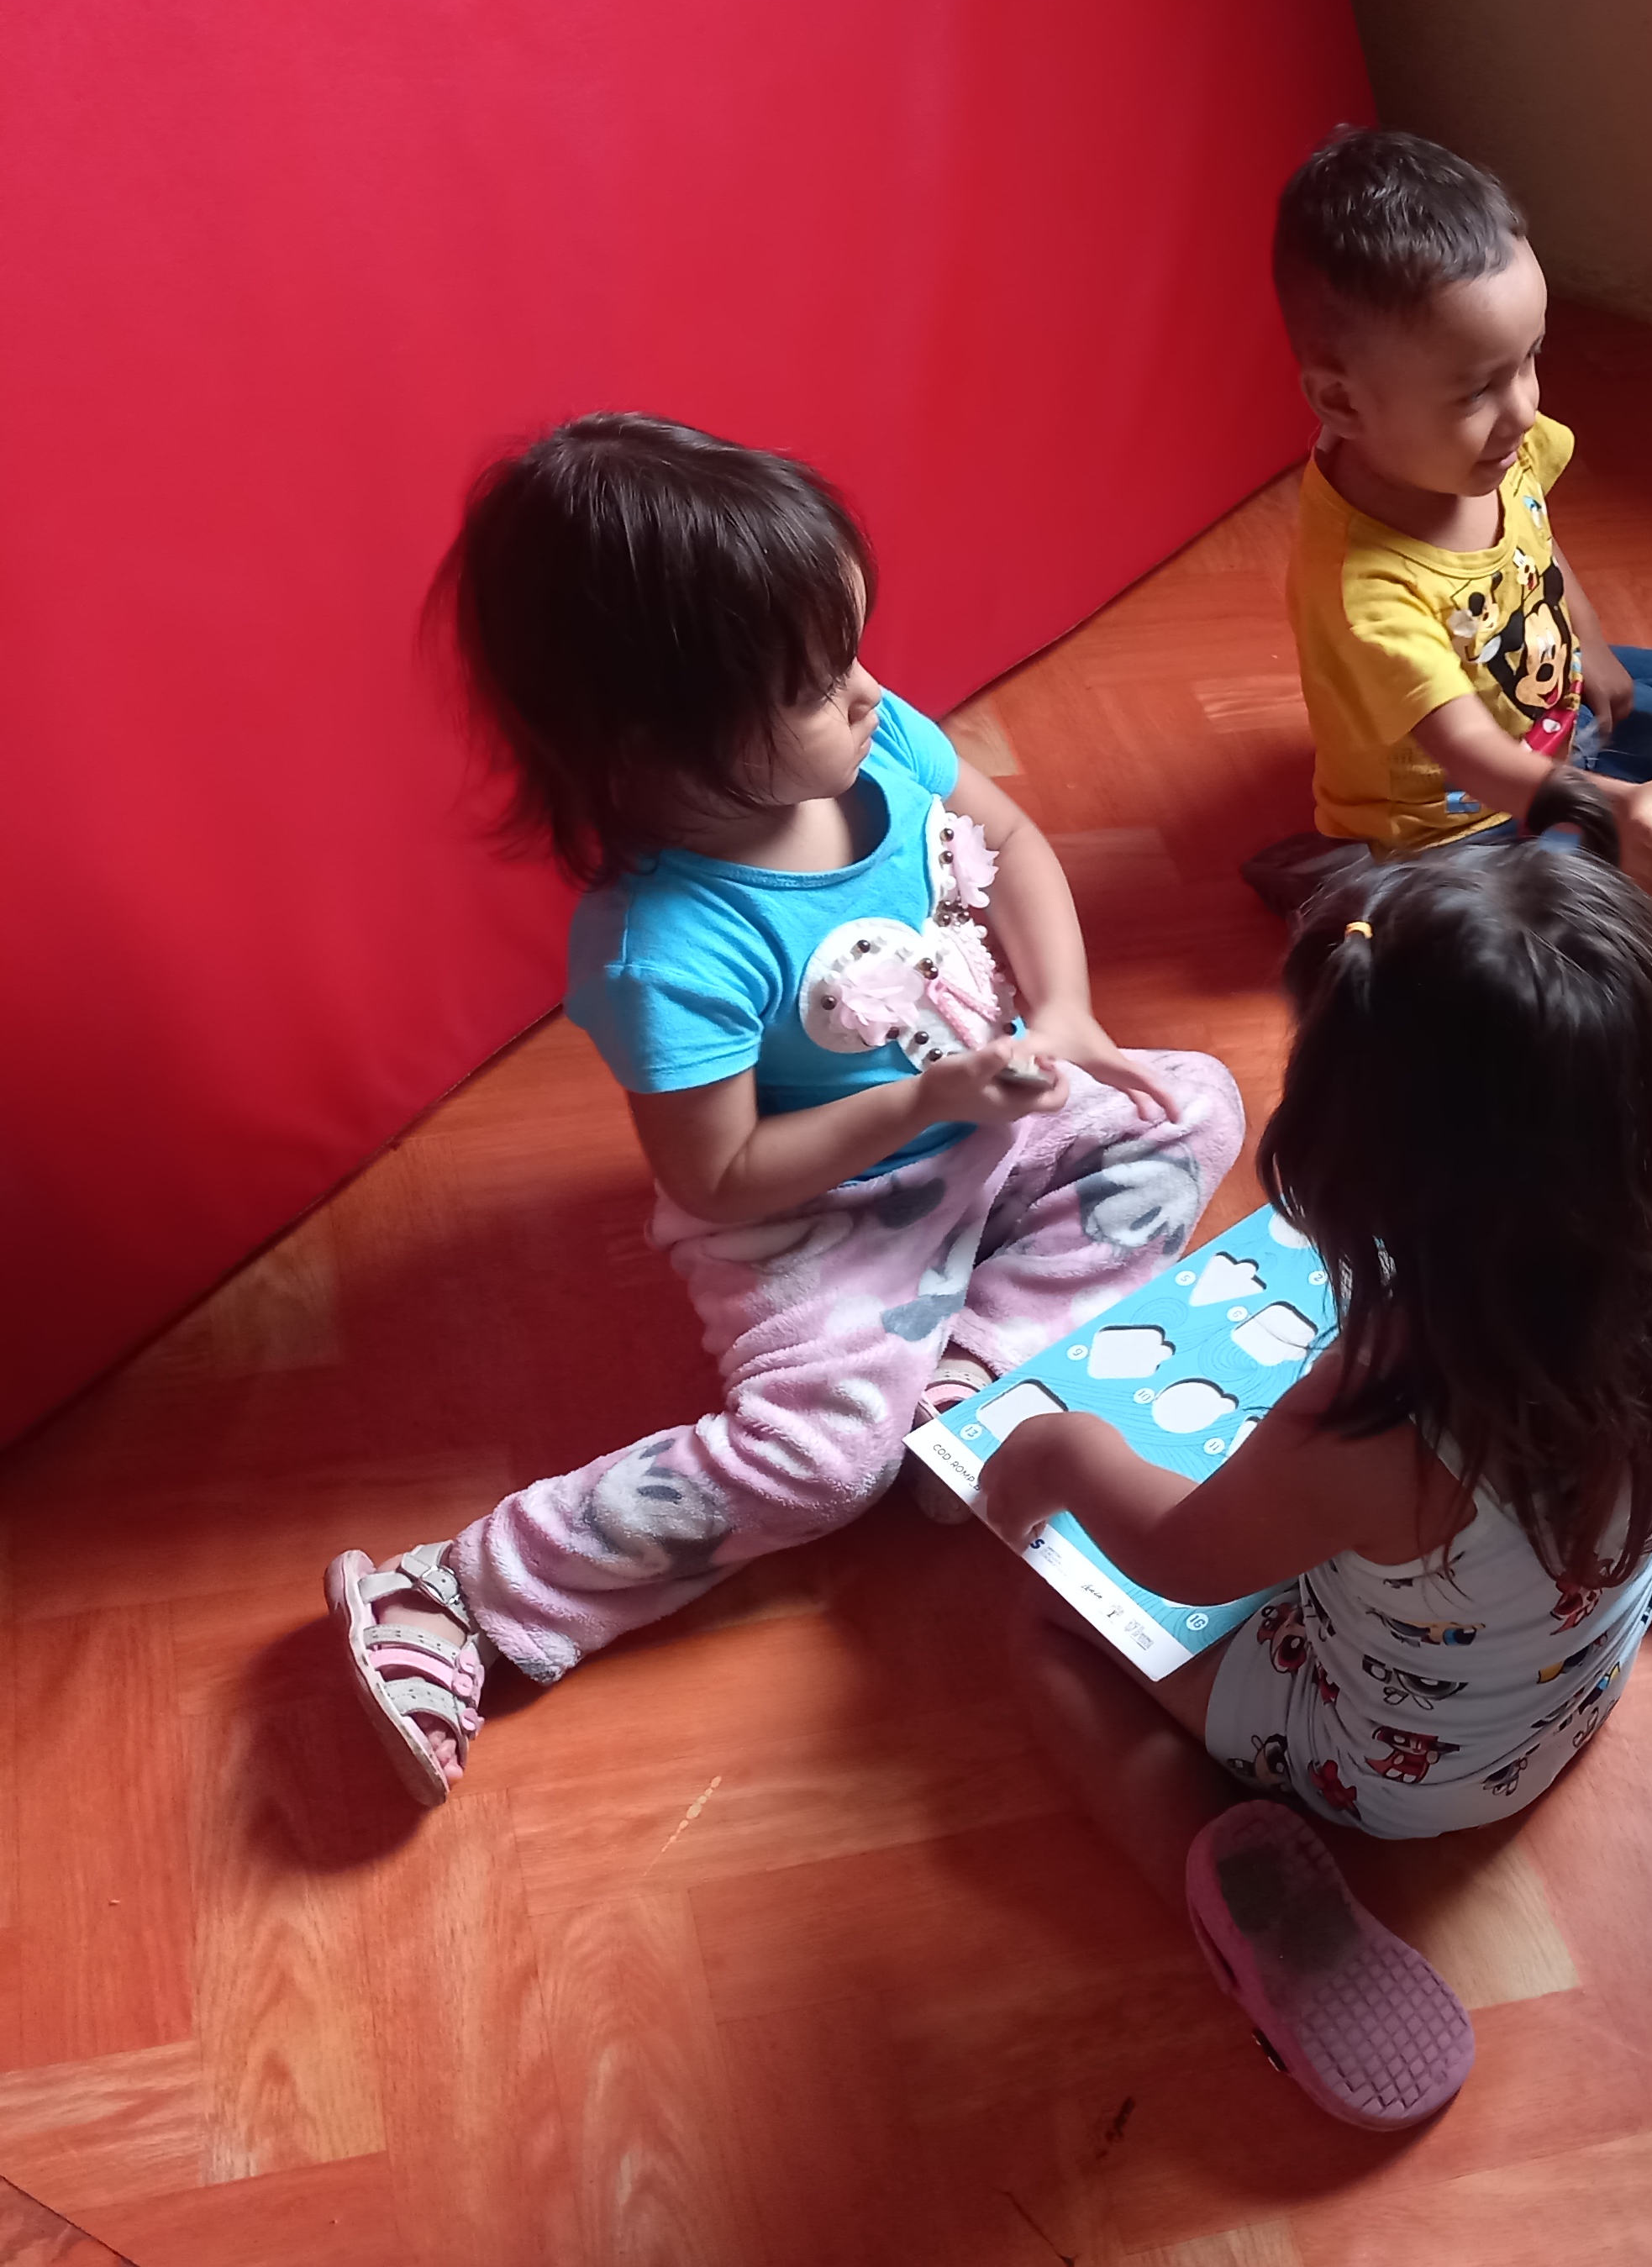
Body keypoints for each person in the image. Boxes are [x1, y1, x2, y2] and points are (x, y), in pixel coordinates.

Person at [324, 414, 1241, 1804]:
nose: (868, 693)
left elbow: (1011, 842)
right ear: (654, 748)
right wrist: (925, 1100)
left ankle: (971, 1372)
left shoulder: (883, 750)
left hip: (987, 1117)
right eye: (817, 682)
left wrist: (1061, 1015)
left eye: (852, 654)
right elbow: (722, 1177)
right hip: (816, 1217)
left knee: (1195, 1104)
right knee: (822, 1468)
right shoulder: (662, 946)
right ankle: (457, 1594)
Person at [980, 777, 1652, 2127]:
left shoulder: (1376, 1410)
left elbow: (1185, 1562)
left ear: (1359, 1166)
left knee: (1046, 1634)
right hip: (1585, 1657)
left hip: (1392, 1771)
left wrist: (1067, 1454)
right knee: (1631, 1407)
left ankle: (1229, 1874)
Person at [1250, 126, 1652, 914]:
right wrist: (1609, 807)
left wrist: (1590, 643)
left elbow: (1536, 536)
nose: (1524, 408)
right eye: (1477, 390)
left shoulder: (1481, 447)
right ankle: (1356, 881)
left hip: (1551, 715)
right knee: (1536, 922)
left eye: (1531, 357)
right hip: (1457, 822)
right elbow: (1469, 754)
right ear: (1341, 402)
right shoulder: (1364, 592)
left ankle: (1581, 822)